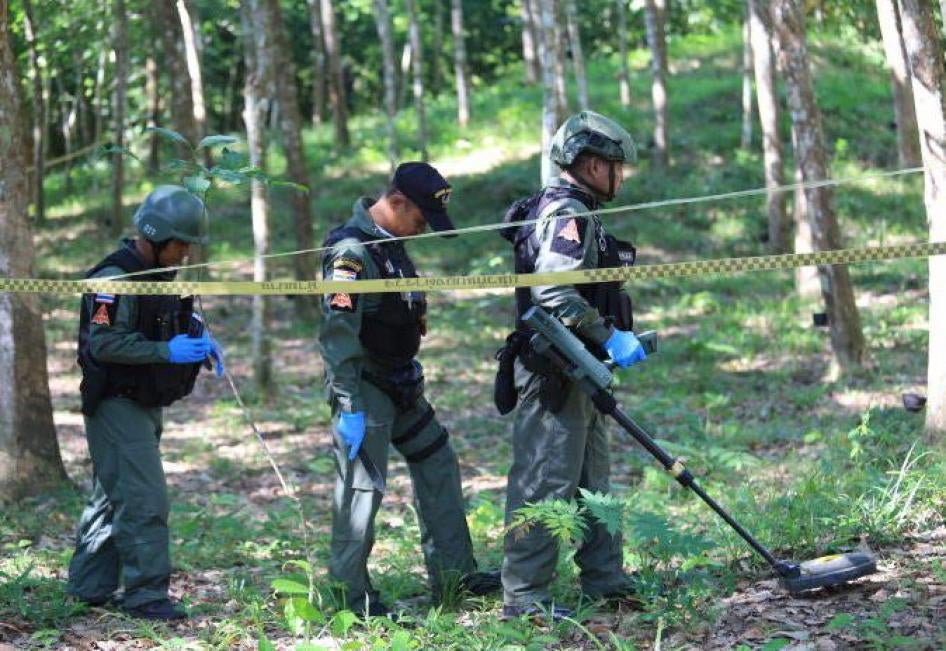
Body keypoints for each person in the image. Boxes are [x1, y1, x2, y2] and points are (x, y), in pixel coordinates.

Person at [319, 162, 500, 619]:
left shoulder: (392, 245)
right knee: (361, 490)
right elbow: (338, 334)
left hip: (402, 383)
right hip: (364, 388)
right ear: (396, 202)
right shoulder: (350, 252)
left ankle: (454, 575)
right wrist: (347, 405)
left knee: (438, 460)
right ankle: (348, 597)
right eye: (420, 220)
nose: (421, 231)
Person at [497, 112, 646, 621]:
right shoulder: (567, 214)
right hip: (555, 372)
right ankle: (525, 597)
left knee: (593, 482)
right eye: (613, 166)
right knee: (544, 484)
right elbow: (552, 290)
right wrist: (610, 336)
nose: (619, 177)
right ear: (586, 164)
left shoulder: (580, 210)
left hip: (583, 371)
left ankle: (605, 580)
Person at [67, 185, 225, 621]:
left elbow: (169, 320)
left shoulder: (157, 278)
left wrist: (196, 339)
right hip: (116, 403)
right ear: (156, 237)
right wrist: (165, 352)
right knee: (143, 499)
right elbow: (103, 342)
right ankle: (146, 596)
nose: (187, 253)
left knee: (113, 494)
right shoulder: (113, 279)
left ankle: (88, 586)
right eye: (182, 244)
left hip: (145, 401)